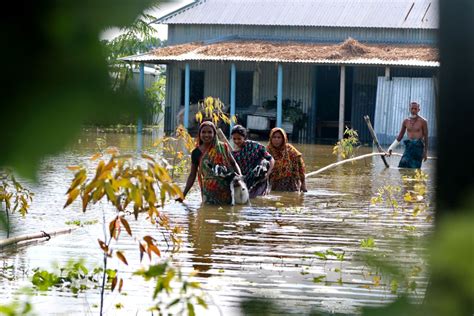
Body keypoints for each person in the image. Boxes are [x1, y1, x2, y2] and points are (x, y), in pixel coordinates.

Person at [179, 121, 242, 204]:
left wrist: (240, 178)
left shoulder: (223, 147)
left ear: (214, 134)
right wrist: (183, 195)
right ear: (199, 134)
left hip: (226, 190)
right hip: (208, 192)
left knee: (225, 213)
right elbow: (192, 175)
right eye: (203, 132)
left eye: (209, 132)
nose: (206, 135)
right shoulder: (196, 152)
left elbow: (233, 164)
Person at [230, 125, 275, 198]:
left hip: (259, 180)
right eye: (234, 139)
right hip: (246, 181)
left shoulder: (256, 146)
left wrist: (268, 173)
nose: (236, 141)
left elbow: (271, 159)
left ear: (244, 137)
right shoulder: (234, 153)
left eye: (239, 139)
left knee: (257, 199)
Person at [387, 101, 429, 168]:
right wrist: (391, 148)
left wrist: (425, 152)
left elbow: (426, 137)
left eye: (415, 109)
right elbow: (400, 136)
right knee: (402, 166)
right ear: (409, 109)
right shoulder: (406, 121)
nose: (413, 110)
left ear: (418, 110)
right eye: (412, 108)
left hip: (418, 148)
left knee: (415, 169)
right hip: (408, 147)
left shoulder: (423, 121)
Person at [267, 127, 307, 192]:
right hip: (274, 184)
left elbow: (301, 166)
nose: (276, 140)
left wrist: (303, 183)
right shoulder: (268, 151)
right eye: (274, 137)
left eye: (279, 137)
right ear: (271, 138)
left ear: (283, 138)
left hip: (290, 184)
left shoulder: (290, 150)